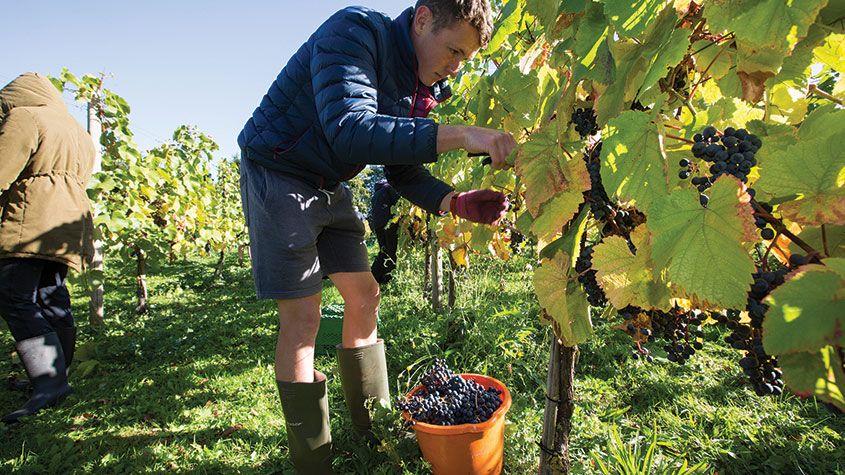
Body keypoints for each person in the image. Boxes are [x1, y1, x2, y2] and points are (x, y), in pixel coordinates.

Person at [237, 1, 514, 472]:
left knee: (365, 295)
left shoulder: (416, 84)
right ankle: (313, 459)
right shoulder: (355, 32)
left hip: (327, 182)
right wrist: (464, 134)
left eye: (464, 58)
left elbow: (402, 172)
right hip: (279, 171)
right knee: (303, 320)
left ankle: (373, 429)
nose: (455, 66)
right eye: (452, 51)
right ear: (423, 19)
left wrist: (456, 202)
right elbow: (351, 131)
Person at [0, 73, 96, 423]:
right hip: (70, 224)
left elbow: (2, 169)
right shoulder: (76, 129)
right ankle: (56, 376)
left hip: (31, 220)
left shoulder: (24, 117)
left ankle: (49, 383)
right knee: (50, 294)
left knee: (13, 295)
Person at [369, 180, 401, 285]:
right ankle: (388, 278)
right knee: (392, 251)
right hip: (389, 223)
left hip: (377, 225)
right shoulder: (388, 188)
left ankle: (374, 276)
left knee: (383, 250)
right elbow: (397, 203)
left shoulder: (375, 195)